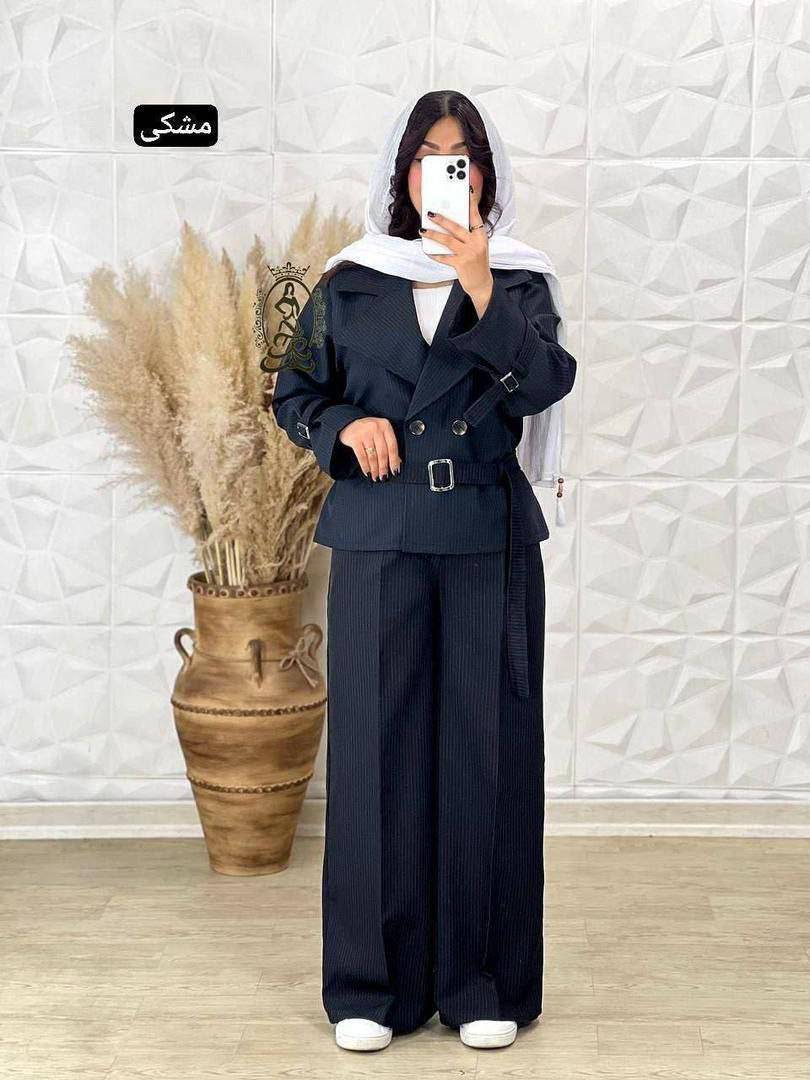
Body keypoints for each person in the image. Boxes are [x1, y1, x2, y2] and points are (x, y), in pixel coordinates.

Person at [270, 89, 577, 1052]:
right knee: (373, 757)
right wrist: (342, 425)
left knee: (489, 753)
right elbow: (292, 390)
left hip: (486, 532)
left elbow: (546, 383)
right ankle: (372, 987)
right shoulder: (348, 278)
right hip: (378, 533)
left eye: (464, 155)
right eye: (431, 154)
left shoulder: (519, 278)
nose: (449, 170)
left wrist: (482, 286)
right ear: (402, 172)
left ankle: (484, 983)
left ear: (485, 173)